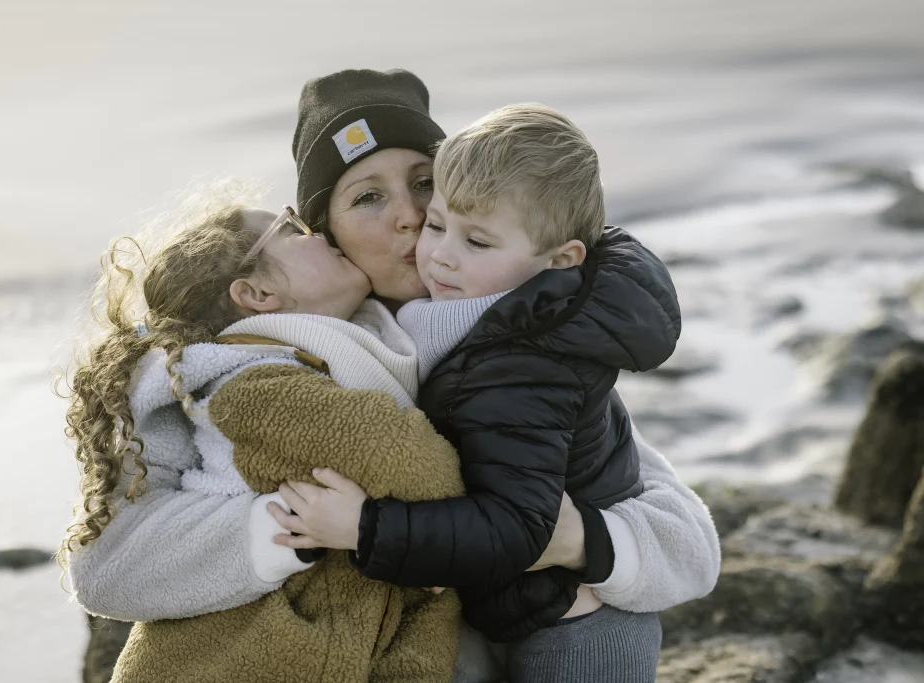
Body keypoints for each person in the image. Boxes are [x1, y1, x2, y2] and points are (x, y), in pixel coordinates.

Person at [65, 68, 720, 683]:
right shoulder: (237, 365)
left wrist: (585, 539)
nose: (409, 215)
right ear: (326, 234)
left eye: (426, 183)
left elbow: (684, 537)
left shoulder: (516, 335)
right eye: (368, 196)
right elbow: (106, 563)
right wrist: (301, 525)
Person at [273, 102, 677, 682]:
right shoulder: (465, 326)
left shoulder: (519, 361)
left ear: (559, 259)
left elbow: (520, 525)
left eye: (477, 242)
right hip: (517, 612)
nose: (436, 249)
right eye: (440, 224)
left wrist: (365, 528)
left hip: (573, 631)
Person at [63, 191, 472, 682]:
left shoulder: (361, 355)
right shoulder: (257, 386)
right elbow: (407, 460)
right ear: (256, 295)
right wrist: (493, 518)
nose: (318, 233)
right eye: (293, 229)